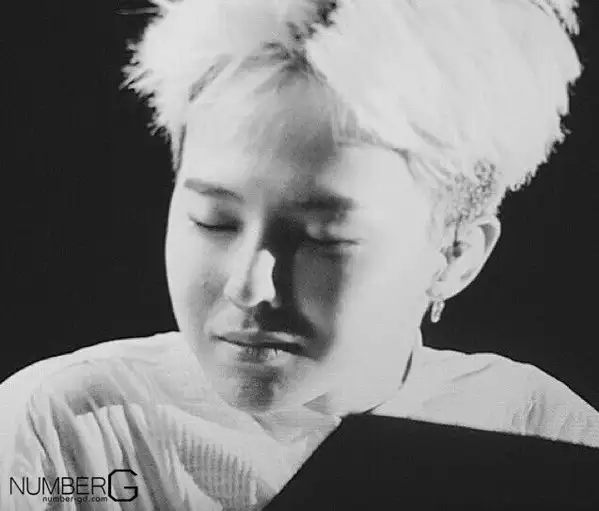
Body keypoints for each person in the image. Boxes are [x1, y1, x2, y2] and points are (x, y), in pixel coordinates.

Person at [1, 0, 598, 509]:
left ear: (456, 255)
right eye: (214, 221)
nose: (248, 286)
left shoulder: (543, 432)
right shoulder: (65, 430)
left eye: (323, 238)